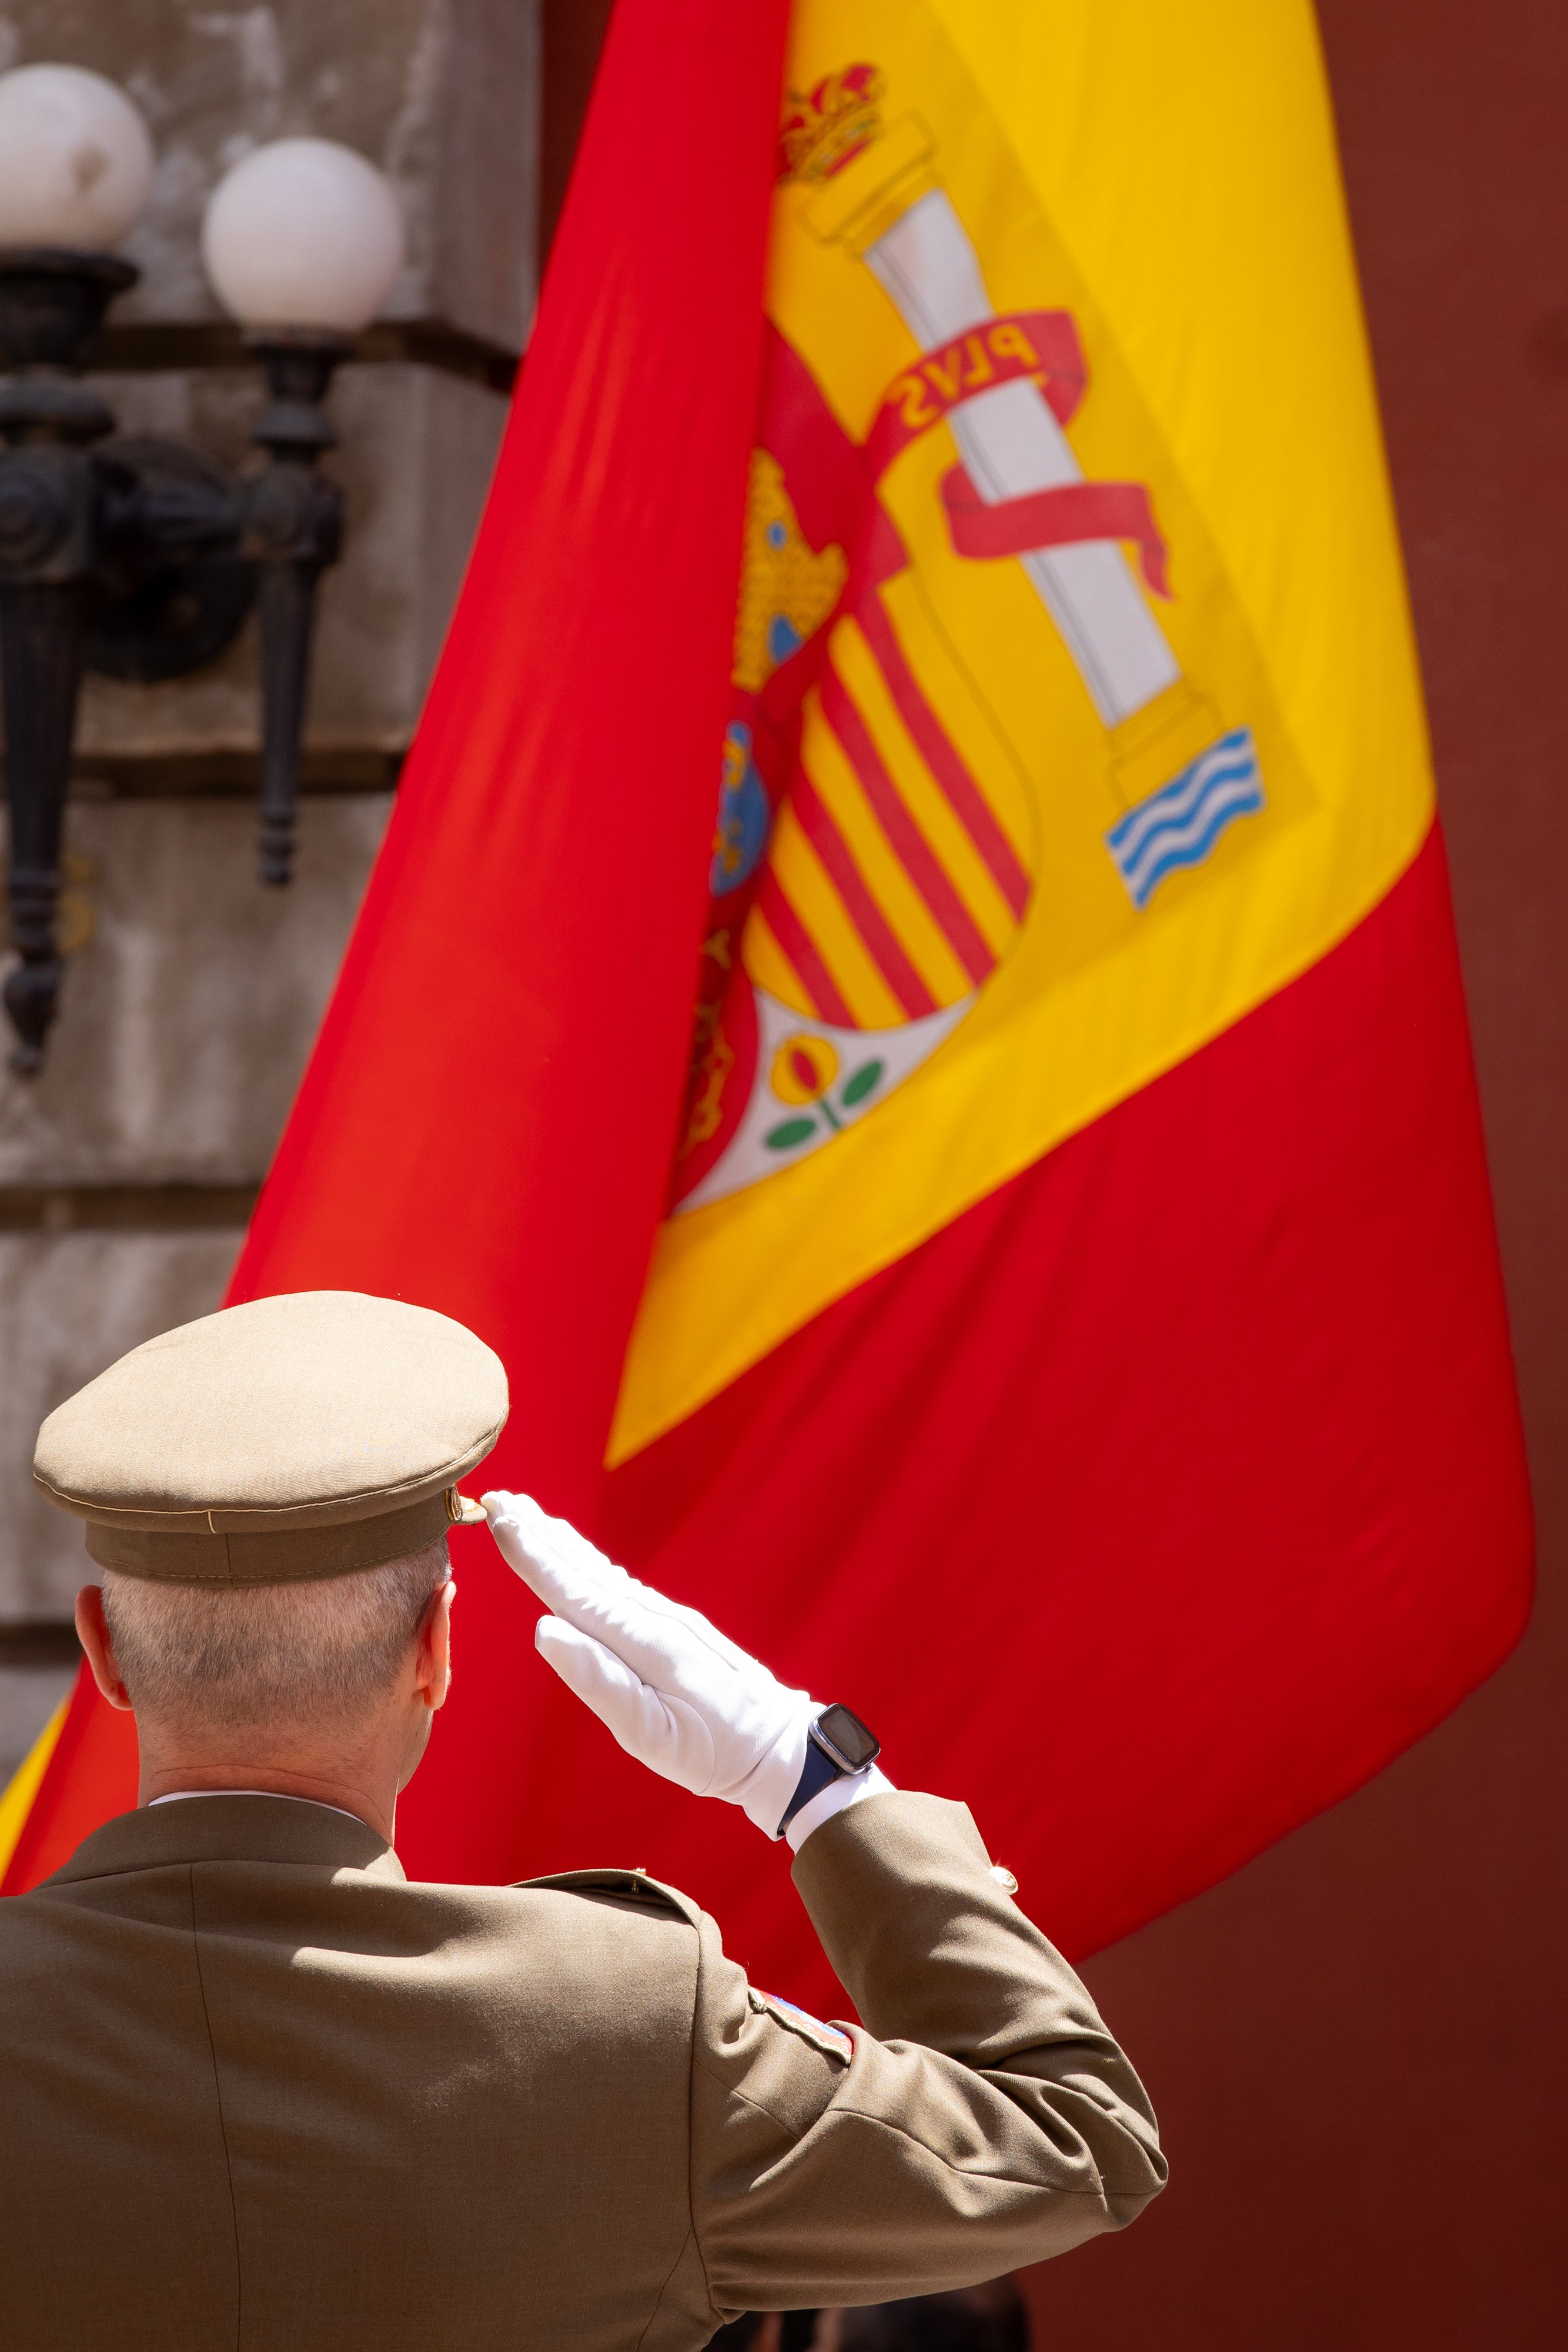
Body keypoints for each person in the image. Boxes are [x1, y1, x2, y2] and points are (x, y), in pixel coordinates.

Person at [1, 1290, 1165, 2348]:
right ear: (434, 1649)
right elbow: (1076, 2138)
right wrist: (812, 1776)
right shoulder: (629, 2029)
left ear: (100, 1647)